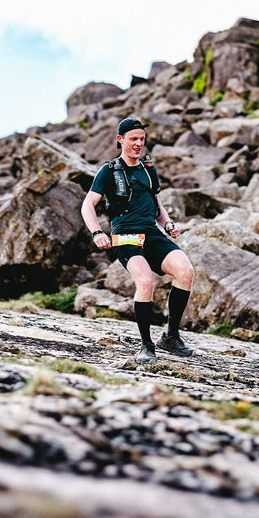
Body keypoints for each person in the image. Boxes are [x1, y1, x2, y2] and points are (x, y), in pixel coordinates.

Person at [81, 116, 196, 363]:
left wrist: (168, 223)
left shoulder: (148, 168)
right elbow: (88, 204)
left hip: (152, 233)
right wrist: (97, 232)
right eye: (133, 139)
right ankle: (146, 345)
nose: (138, 144)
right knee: (145, 281)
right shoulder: (108, 171)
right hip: (125, 235)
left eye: (141, 139)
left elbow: (157, 204)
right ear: (120, 140)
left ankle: (171, 337)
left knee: (186, 272)